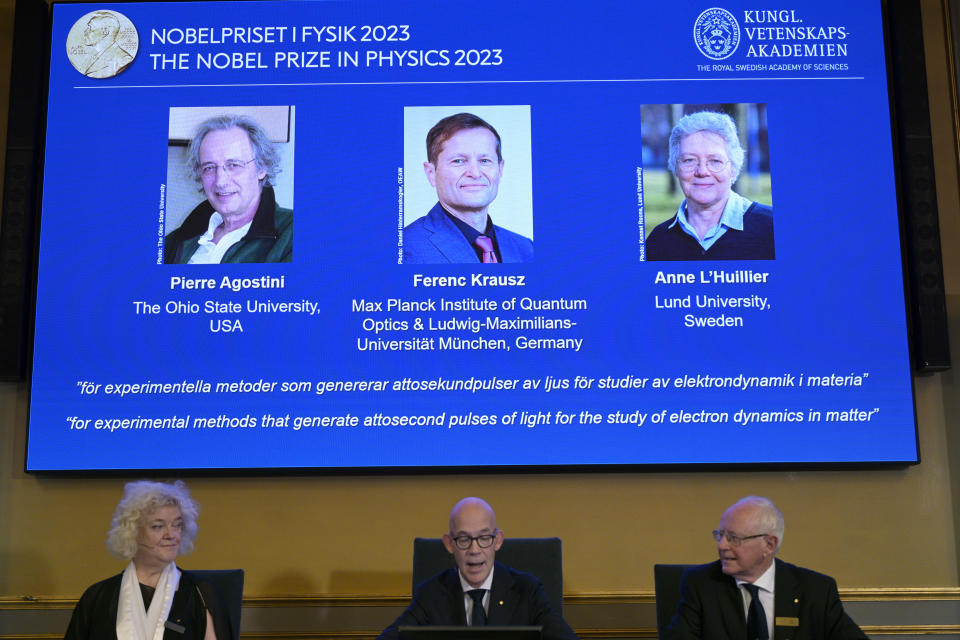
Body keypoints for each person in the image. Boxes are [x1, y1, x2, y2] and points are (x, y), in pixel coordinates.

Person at [665, 496, 867, 640]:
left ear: (769, 545)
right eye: (721, 535)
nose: (722, 545)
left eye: (734, 538)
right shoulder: (701, 584)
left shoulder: (816, 590)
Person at [377, 497, 577, 640]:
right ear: (449, 544)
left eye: (483, 538)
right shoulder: (431, 594)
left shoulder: (528, 590)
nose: (474, 550)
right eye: (464, 539)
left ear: (497, 541)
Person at [64, 480, 232, 639]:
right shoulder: (97, 597)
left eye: (177, 525)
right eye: (158, 526)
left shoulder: (201, 594)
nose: (171, 535)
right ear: (132, 533)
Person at [403, 113, 534, 264]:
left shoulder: (527, 249)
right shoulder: (404, 250)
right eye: (458, 161)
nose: (475, 173)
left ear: (500, 169)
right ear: (431, 173)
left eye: (485, 160)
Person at [646, 111, 774, 260]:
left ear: (733, 168)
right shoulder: (657, 242)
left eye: (715, 161)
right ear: (675, 167)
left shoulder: (772, 228)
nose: (702, 171)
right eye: (689, 160)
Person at [164, 114, 292, 263]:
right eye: (209, 167)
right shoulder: (174, 242)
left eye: (234, 165)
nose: (220, 181)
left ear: (261, 167)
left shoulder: (292, 234)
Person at [80, 12, 134, 79]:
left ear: (105, 32)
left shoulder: (123, 60)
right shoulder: (90, 57)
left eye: (90, 28)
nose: (85, 32)